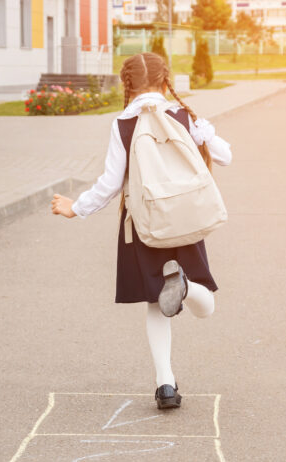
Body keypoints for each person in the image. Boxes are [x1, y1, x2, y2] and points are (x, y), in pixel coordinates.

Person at [51, 52, 232, 409]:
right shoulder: (182, 115)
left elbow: (110, 183)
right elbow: (225, 156)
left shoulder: (123, 124)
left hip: (145, 224)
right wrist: (203, 130)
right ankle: (187, 285)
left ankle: (166, 384)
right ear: (167, 82)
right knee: (204, 306)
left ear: (127, 84)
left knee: (155, 304)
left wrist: (77, 208)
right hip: (184, 219)